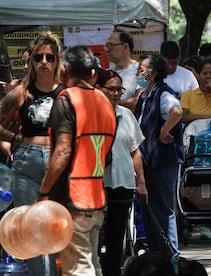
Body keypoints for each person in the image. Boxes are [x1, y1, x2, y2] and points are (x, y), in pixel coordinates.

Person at [37, 45, 116, 275]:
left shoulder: (66, 100)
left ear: (63, 70)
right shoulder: (105, 102)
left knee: (78, 269)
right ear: (92, 74)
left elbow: (62, 152)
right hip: (97, 199)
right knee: (92, 264)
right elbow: (106, 156)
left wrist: (44, 192)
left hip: (73, 198)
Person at [0, 32, 63, 276]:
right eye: (39, 57)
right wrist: (14, 138)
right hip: (27, 161)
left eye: (50, 57)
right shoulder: (22, 92)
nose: (44, 62)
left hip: (60, 162)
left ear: (57, 60)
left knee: (57, 228)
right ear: (32, 61)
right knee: (34, 229)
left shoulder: (66, 92)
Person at [95, 69, 147, 276]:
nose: (116, 94)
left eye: (119, 90)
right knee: (95, 234)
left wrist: (141, 182)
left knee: (116, 236)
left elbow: (135, 151)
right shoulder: (89, 115)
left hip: (123, 181)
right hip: (95, 182)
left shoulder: (126, 115)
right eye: (111, 89)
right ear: (98, 89)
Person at [134, 54, 184, 253]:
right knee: (149, 211)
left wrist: (164, 130)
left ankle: (171, 256)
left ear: (153, 74)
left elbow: (177, 112)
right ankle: (157, 256)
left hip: (162, 162)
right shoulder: (146, 95)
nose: (138, 73)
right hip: (148, 162)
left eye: (141, 70)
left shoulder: (163, 93)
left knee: (163, 210)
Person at [180, 58, 211, 240]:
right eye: (204, 73)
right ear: (198, 75)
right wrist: (206, 118)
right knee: (190, 183)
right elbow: (184, 117)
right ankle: (193, 220)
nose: (207, 77)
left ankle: (209, 224)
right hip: (194, 149)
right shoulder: (188, 96)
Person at [105, 28, 139, 110]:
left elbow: (138, 101)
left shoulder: (141, 71)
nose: (107, 50)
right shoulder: (107, 73)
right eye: (106, 46)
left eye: (111, 46)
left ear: (125, 47)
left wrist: (111, 103)